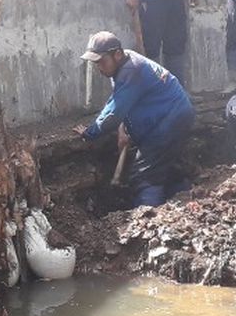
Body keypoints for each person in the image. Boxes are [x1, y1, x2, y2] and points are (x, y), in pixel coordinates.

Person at [74, 31, 195, 207]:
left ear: (117, 54)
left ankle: (147, 218)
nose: (99, 68)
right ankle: (181, 199)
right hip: (173, 114)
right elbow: (120, 101)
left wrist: (90, 132)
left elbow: (113, 114)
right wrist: (123, 129)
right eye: (96, 63)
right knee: (164, 168)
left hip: (168, 121)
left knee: (144, 175)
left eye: (102, 62)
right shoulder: (125, 62)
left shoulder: (131, 71)